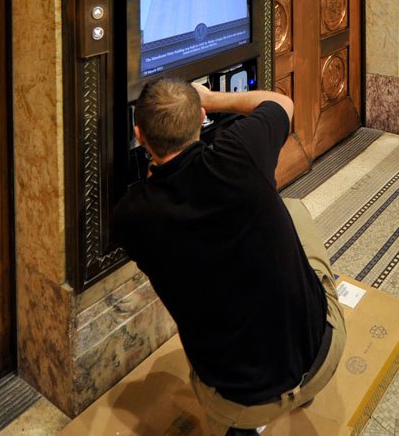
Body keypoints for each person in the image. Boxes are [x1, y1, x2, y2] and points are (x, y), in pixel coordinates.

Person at [111, 78, 346, 435]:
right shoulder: (241, 150)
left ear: (139, 135)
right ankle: (302, 390)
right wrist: (212, 97)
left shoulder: (131, 217)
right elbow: (280, 103)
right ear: (202, 118)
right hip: (324, 356)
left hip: (239, 406)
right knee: (293, 209)